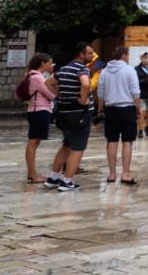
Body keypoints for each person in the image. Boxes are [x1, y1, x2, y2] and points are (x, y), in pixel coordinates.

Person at [47, 42, 95, 191]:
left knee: (66, 145)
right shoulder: (82, 69)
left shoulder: (64, 69)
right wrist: (82, 99)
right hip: (79, 114)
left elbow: (48, 82)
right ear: (81, 54)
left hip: (65, 113)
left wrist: (59, 95)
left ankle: (53, 177)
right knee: (77, 148)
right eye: (89, 53)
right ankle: (67, 181)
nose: (92, 56)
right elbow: (86, 85)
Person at [98, 46, 143, 185]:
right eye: (128, 55)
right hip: (127, 108)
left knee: (111, 141)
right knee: (127, 141)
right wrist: (138, 108)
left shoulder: (104, 71)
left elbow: (101, 94)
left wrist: (100, 110)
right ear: (124, 55)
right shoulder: (129, 70)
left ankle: (111, 174)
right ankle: (125, 173)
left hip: (110, 109)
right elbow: (135, 92)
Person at [23, 53, 57, 183]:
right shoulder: (38, 77)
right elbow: (51, 95)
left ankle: (32, 173)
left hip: (37, 110)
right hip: (39, 110)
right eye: (50, 63)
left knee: (34, 142)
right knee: (33, 142)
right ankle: (32, 174)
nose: (51, 65)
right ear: (43, 64)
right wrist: (54, 79)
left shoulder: (33, 75)